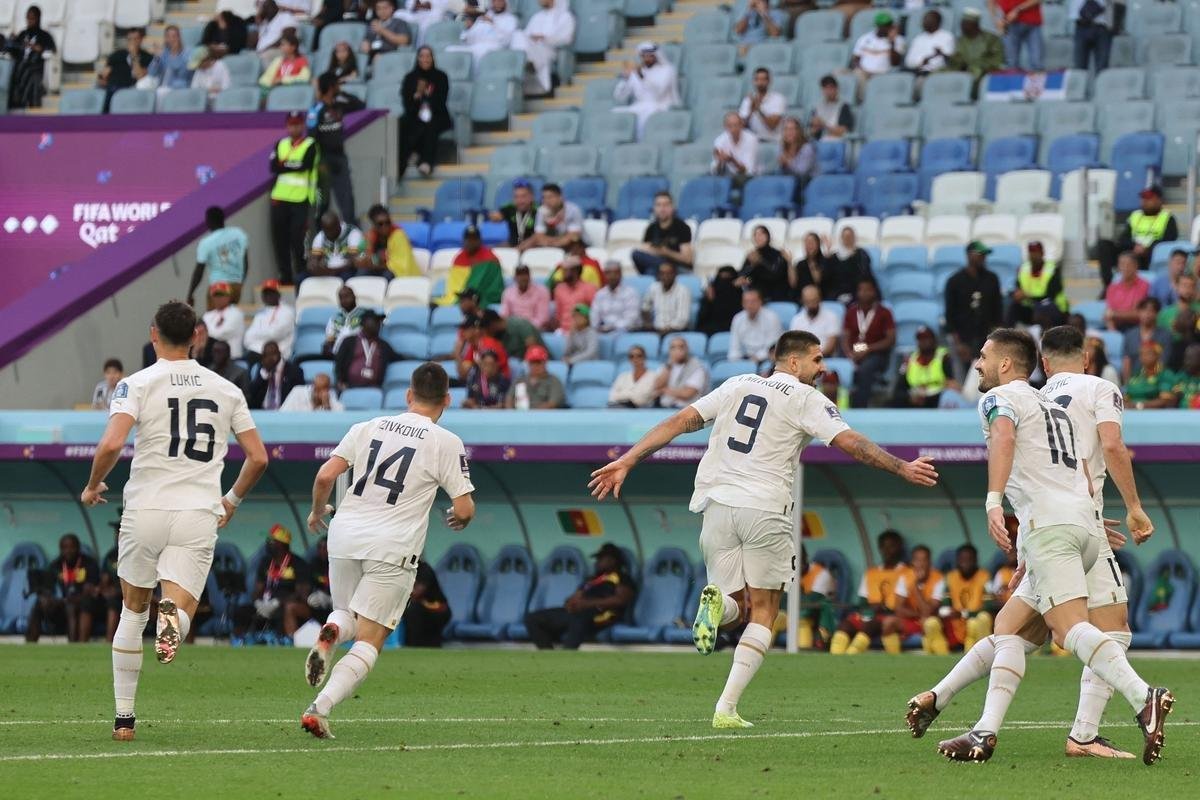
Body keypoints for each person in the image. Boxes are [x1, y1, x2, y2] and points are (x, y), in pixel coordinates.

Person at [589, 330, 938, 727]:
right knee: (766, 611)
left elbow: (681, 420)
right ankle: (726, 709)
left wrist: (629, 459)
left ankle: (717, 609)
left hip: (716, 506)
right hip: (765, 508)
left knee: (735, 609)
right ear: (794, 362)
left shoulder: (737, 383)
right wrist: (902, 467)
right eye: (817, 360)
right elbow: (851, 442)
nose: (823, 368)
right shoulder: (807, 398)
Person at [913, 326, 1169, 765]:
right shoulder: (1049, 404)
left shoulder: (1002, 398)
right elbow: (1087, 474)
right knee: (1009, 629)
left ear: (1007, 364)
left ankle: (1143, 697)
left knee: (1067, 629)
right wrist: (1084, 521)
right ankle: (976, 725)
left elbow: (1005, 440)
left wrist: (994, 502)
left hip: (1049, 526)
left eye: (982, 355)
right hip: (1083, 525)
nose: (976, 363)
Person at [79, 301, 268, 741]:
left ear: (153, 335)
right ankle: (175, 622)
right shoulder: (226, 389)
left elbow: (111, 445)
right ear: (197, 337)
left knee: (131, 609)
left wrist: (92, 486)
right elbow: (258, 457)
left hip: (145, 508)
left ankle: (124, 720)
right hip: (198, 512)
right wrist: (233, 499)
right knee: (179, 607)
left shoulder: (135, 383)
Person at [300, 362, 476, 738]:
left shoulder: (365, 427)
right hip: (392, 545)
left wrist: (317, 511)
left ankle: (331, 628)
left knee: (346, 614)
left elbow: (325, 476)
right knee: (371, 638)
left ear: (408, 395)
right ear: (447, 399)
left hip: (344, 534)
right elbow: (463, 508)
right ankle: (320, 707)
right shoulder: (445, 441)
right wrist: (461, 518)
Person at [524, 544, 636, 649]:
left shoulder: (622, 578)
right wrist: (570, 603)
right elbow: (576, 596)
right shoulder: (592, 579)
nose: (596, 562)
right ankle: (548, 654)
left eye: (600, 559)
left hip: (602, 616)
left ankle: (567, 655)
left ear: (612, 560)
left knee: (579, 619)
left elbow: (621, 600)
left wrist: (587, 604)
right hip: (578, 612)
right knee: (532, 618)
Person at [233, 525, 312, 644]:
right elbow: (258, 588)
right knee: (240, 612)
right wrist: (258, 602)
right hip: (265, 604)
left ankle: (289, 642)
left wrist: (278, 602)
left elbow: (301, 593)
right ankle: (239, 642)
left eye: (272, 541)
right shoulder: (265, 562)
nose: (268, 543)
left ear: (282, 544)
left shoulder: (298, 563)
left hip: (283, 604)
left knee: (284, 611)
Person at [25, 533, 105, 643]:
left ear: (78, 548)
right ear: (61, 549)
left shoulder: (89, 563)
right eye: (65, 548)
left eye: (72, 547)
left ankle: (76, 646)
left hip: (81, 604)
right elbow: (48, 589)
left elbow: (91, 590)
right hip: (60, 606)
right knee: (39, 604)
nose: (68, 550)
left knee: (76, 605)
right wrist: (47, 598)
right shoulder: (55, 565)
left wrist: (71, 600)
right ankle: (30, 644)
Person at [269, 111, 319, 284]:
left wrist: (285, 164)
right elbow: (273, 166)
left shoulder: (310, 144)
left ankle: (301, 274)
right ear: (287, 126)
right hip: (279, 198)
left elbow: (305, 165)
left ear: (303, 125)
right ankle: (285, 276)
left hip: (300, 199)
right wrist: (290, 165)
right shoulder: (280, 143)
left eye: (297, 124)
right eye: (291, 124)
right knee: (280, 239)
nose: (294, 127)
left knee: (298, 240)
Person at [308, 74, 365, 223]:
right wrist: (318, 162)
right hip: (323, 161)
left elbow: (360, 104)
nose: (340, 87)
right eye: (337, 85)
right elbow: (311, 136)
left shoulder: (339, 105)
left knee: (347, 198)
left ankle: (351, 232)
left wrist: (341, 93)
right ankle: (322, 235)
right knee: (323, 200)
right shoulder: (316, 109)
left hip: (340, 158)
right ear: (331, 87)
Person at [944, 241, 1003, 375]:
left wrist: (994, 342)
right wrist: (958, 344)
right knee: (963, 377)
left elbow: (997, 313)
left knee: (986, 375)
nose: (983, 258)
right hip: (963, 337)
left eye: (984, 255)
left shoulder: (992, 279)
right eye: (979, 254)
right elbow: (949, 316)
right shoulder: (954, 281)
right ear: (969, 255)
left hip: (986, 337)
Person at [1101, 187, 1178, 286]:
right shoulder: (1135, 216)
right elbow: (1123, 239)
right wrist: (1134, 246)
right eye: (1143, 198)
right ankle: (1109, 284)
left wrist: (1147, 248)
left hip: (1150, 255)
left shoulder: (1167, 217)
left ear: (1159, 200)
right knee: (1104, 245)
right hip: (1133, 251)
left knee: (1150, 251)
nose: (1145, 201)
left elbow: (1170, 239)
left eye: (1149, 198)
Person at [924, 544, 993, 655]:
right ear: (957, 560)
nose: (965, 563)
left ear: (975, 560)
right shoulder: (950, 578)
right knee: (931, 623)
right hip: (955, 624)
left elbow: (989, 606)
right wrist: (947, 612)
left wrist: (963, 614)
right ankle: (941, 660)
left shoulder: (985, 577)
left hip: (974, 624)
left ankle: (983, 657)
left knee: (978, 620)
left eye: (969, 559)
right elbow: (944, 606)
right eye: (962, 559)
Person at [397, 46, 452, 179]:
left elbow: (441, 100)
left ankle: (426, 161)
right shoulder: (410, 78)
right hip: (414, 113)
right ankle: (402, 163)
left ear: (432, 58)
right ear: (418, 58)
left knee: (430, 124)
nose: (425, 59)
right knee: (403, 124)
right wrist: (417, 96)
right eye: (422, 56)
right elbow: (407, 101)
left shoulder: (441, 76)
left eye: (428, 56)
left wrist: (428, 98)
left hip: (437, 114)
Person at [842, 278, 895, 408]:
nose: (864, 293)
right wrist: (849, 353)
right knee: (840, 366)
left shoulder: (884, 312)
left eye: (868, 290)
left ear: (874, 292)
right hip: (853, 352)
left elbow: (890, 340)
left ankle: (859, 407)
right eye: (861, 290)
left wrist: (869, 349)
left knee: (866, 368)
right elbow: (845, 337)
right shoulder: (851, 312)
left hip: (876, 354)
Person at [612, 41, 680, 140]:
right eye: (644, 56)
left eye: (650, 56)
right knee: (615, 112)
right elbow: (619, 98)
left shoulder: (667, 70)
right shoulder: (637, 72)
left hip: (660, 105)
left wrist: (643, 77)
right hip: (640, 105)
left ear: (656, 56)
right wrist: (625, 79)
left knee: (643, 116)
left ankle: (641, 144)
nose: (646, 59)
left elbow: (659, 94)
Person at [512, 0, 576, 95]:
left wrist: (544, 38)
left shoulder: (565, 16)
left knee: (525, 47)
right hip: (533, 48)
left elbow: (566, 38)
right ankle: (526, 63)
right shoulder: (536, 17)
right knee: (517, 34)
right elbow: (526, 34)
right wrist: (532, 38)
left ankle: (526, 64)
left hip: (550, 50)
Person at [189, 207, 248, 308]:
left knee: (213, 321)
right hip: (236, 285)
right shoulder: (238, 234)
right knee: (229, 319)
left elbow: (199, 272)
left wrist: (190, 293)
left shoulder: (206, 243)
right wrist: (240, 283)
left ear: (208, 221)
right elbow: (245, 262)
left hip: (218, 288)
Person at [891, 326, 960, 408]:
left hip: (937, 397)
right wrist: (910, 397)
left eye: (926, 338)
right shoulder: (909, 360)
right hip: (916, 398)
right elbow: (899, 389)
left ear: (933, 340)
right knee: (893, 402)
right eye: (920, 339)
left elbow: (952, 382)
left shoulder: (943, 357)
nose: (923, 342)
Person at [893, 546, 944, 654]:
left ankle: (939, 654)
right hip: (914, 618)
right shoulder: (905, 577)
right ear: (912, 562)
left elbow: (928, 612)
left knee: (930, 622)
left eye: (924, 560)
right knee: (889, 623)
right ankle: (893, 659)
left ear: (930, 562)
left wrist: (915, 587)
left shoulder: (938, 578)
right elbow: (898, 609)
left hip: (932, 621)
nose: (920, 564)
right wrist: (918, 615)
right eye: (917, 560)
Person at [6, 5, 56, 109]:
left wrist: (38, 48)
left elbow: (52, 49)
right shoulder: (23, 34)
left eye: (32, 18)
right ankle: (12, 105)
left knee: (27, 72)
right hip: (20, 66)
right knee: (12, 70)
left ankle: (21, 102)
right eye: (28, 18)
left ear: (38, 18)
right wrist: (12, 42)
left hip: (35, 66)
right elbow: (15, 49)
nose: (29, 21)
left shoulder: (44, 35)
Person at [946, 8, 1006, 95]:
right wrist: (950, 59)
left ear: (975, 25)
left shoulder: (991, 39)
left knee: (975, 71)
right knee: (941, 71)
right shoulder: (960, 40)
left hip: (983, 72)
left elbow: (997, 61)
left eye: (965, 24)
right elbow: (958, 59)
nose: (962, 26)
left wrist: (977, 65)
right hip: (964, 71)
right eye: (962, 23)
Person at [1007, 241, 1067, 326]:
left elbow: (1051, 295)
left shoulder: (1053, 269)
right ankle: (1006, 335)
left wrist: (1028, 296)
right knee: (1013, 306)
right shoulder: (1024, 269)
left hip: (1054, 309)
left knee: (1043, 307)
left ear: (1042, 253)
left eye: (1036, 252)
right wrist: (1016, 294)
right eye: (1031, 252)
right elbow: (1018, 287)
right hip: (1031, 308)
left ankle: (1044, 336)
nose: (1033, 256)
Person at [633, 192, 693, 276]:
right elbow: (645, 250)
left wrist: (666, 252)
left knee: (652, 272)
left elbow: (687, 259)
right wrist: (656, 251)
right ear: (654, 208)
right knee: (636, 254)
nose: (662, 209)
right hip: (656, 265)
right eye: (658, 205)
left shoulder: (682, 227)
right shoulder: (651, 228)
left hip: (676, 267)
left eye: (666, 205)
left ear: (672, 207)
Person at [850, 12, 905, 99]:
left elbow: (896, 63)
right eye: (884, 25)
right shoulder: (864, 38)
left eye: (889, 25)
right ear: (878, 26)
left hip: (884, 73)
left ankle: (869, 100)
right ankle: (865, 101)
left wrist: (891, 43)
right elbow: (856, 58)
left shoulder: (898, 40)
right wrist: (860, 68)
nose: (887, 28)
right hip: (865, 72)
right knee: (855, 74)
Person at [447, 0, 518, 67]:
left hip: (493, 48)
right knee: (450, 49)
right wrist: (468, 29)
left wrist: (493, 23)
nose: (497, 3)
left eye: (500, 1)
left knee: (479, 54)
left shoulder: (510, 19)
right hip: (475, 46)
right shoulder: (484, 17)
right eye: (495, 1)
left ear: (505, 3)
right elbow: (470, 36)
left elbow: (506, 41)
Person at [356, 204, 420, 279]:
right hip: (379, 269)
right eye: (380, 224)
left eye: (388, 222)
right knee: (362, 272)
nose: (385, 226)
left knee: (387, 275)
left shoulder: (398, 235)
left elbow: (400, 266)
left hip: (398, 274)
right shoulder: (371, 236)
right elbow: (362, 255)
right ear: (374, 225)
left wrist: (374, 263)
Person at [335, 311, 395, 390]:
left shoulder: (383, 345)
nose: (378, 324)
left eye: (379, 322)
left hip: (374, 388)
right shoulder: (349, 341)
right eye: (375, 321)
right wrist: (340, 381)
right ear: (363, 323)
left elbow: (397, 357)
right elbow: (339, 362)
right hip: (349, 387)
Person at [98, 28, 154, 112]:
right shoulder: (117, 55)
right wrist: (105, 82)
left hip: (132, 88)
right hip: (114, 87)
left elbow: (140, 76)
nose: (132, 42)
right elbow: (103, 76)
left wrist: (134, 55)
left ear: (141, 40)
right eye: (130, 39)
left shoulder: (147, 57)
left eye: (136, 39)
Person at [402, 560, 453, 647]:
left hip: (438, 609)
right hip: (421, 608)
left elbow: (417, 592)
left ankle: (416, 646)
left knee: (412, 610)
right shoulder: (405, 569)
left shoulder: (424, 569)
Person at [244, 280, 296, 361]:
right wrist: (264, 333)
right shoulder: (260, 312)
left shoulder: (287, 311)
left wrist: (257, 334)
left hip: (279, 352)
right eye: (265, 293)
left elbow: (275, 334)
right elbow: (248, 337)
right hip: (257, 351)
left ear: (278, 294)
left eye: (271, 293)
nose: (268, 296)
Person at [1121, 298, 1170, 383]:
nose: (1147, 314)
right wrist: (1127, 384)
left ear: (1157, 313)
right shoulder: (1130, 335)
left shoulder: (1165, 335)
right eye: (1144, 310)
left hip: (1157, 381)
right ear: (1138, 312)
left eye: (1151, 311)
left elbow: (1163, 361)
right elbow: (1126, 362)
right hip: (1134, 380)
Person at [307, 212, 364, 283]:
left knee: (346, 276)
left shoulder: (353, 233)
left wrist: (331, 271)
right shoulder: (320, 236)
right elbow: (314, 258)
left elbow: (353, 262)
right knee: (300, 278)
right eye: (326, 231)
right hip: (327, 270)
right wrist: (313, 265)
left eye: (332, 230)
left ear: (338, 225)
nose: (329, 234)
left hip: (346, 270)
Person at [738, 226, 791, 302]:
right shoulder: (752, 255)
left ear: (768, 236)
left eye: (761, 234)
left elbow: (776, 274)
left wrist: (760, 261)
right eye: (755, 235)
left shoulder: (777, 254)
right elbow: (743, 275)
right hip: (756, 292)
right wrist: (752, 265)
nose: (758, 237)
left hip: (775, 292)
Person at [728, 289, 783, 363]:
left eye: (753, 301)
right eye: (746, 302)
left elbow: (772, 347)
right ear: (742, 303)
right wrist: (734, 362)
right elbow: (734, 347)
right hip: (744, 359)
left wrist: (757, 358)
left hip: (767, 359)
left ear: (760, 302)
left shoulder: (771, 317)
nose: (749, 305)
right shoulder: (737, 319)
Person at [247, 342, 305, 410]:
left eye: (272, 355)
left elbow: (299, 397)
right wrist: (265, 374)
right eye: (265, 356)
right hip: (263, 412)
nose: (268, 359)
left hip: (285, 412)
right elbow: (252, 395)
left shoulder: (295, 371)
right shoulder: (262, 368)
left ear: (279, 354)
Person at [653, 337, 708, 409]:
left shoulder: (697, 367)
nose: (677, 350)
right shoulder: (667, 366)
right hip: (665, 407)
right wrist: (669, 366)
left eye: (681, 347)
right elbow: (657, 386)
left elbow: (687, 394)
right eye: (673, 348)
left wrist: (663, 390)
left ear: (687, 349)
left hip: (688, 409)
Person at [825, 226, 876, 304]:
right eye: (845, 237)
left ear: (854, 238)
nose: (848, 239)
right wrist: (828, 254)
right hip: (837, 293)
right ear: (841, 238)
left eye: (850, 237)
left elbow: (865, 273)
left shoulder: (861, 254)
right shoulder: (834, 257)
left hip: (857, 291)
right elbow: (829, 276)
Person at [991, 0, 1043, 71]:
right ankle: (1012, 81)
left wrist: (1017, 10)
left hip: (1032, 23)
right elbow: (990, 2)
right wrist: (996, 19)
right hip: (1009, 23)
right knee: (1011, 64)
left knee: (1037, 63)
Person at [1104, 252, 1150, 332]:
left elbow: (1138, 314)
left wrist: (1115, 314)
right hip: (1115, 327)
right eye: (1122, 264)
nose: (1125, 268)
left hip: (1136, 328)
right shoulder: (1112, 288)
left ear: (1136, 266)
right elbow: (1108, 315)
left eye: (1129, 264)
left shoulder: (1144, 286)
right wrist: (1112, 332)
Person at [529, 183, 585, 250]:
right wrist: (551, 242)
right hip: (552, 246)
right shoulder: (541, 211)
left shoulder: (573, 210)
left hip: (576, 246)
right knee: (532, 240)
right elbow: (539, 236)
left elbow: (573, 236)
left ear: (560, 197)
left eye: (550, 197)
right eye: (544, 197)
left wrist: (550, 242)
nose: (546, 201)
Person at [790, 285, 840, 356]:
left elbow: (830, 347)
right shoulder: (797, 319)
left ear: (819, 299)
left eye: (814, 301)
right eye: (808, 301)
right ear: (803, 301)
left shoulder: (831, 317)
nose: (811, 305)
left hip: (825, 359)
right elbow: (793, 345)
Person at [642, 262, 691, 335]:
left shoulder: (683, 291)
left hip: (675, 331)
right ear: (658, 275)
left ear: (675, 274)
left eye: (669, 273)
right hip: (655, 330)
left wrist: (666, 330)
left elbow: (682, 320)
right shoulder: (654, 288)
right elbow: (645, 308)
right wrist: (649, 324)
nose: (665, 276)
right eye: (662, 273)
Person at [591, 261, 641, 333]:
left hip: (626, 332)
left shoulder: (630, 293)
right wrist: (598, 328)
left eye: (615, 273)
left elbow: (631, 319)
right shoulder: (600, 294)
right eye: (608, 273)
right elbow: (594, 317)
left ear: (620, 274)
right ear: (605, 275)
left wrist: (612, 327)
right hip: (604, 332)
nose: (612, 276)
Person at [739, 68, 786, 143]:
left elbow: (772, 126)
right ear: (754, 81)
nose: (760, 83)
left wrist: (758, 110)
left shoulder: (778, 99)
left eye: (763, 80)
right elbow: (741, 126)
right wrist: (750, 112)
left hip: (774, 141)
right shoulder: (748, 100)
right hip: (754, 141)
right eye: (757, 80)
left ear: (769, 81)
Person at [490, 179, 539, 250]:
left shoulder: (538, 210)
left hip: (533, 248)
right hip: (513, 246)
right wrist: (494, 217)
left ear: (531, 197)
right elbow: (496, 216)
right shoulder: (509, 209)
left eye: (523, 196)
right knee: (492, 251)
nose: (519, 200)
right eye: (516, 197)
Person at [201, 283, 246, 358]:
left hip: (231, 357)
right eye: (216, 295)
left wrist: (206, 333)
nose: (218, 298)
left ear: (229, 297)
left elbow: (221, 334)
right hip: (210, 357)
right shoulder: (207, 315)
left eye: (222, 295)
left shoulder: (236, 313)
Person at [905, 9, 956, 75]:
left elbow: (950, 59)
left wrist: (941, 54)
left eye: (928, 19)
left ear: (937, 21)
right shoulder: (918, 39)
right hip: (918, 72)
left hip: (938, 73)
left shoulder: (947, 37)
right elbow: (908, 62)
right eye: (924, 19)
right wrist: (921, 62)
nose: (924, 22)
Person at [711, 111, 760, 180]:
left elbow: (748, 171)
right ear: (725, 127)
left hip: (748, 177)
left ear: (742, 125)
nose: (733, 129)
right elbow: (715, 171)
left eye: (736, 125)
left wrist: (732, 160)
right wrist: (720, 161)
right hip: (727, 176)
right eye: (730, 126)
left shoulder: (751, 139)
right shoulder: (719, 140)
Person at [551, 262, 597, 333]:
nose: (563, 273)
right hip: (562, 331)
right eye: (563, 270)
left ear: (576, 271)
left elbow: (594, 313)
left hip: (583, 331)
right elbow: (558, 314)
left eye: (565, 270)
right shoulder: (559, 289)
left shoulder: (589, 288)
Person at [500, 265, 551, 329]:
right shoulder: (507, 293)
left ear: (530, 276)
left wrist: (524, 328)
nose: (523, 277)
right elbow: (504, 316)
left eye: (525, 274)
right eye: (520, 275)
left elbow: (542, 318)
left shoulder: (542, 291)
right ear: (515, 277)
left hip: (535, 329)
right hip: (513, 329)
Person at [1071, 0, 1114, 73]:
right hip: (1081, 25)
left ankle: (1100, 84)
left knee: (1102, 68)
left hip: (1102, 26)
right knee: (1079, 68)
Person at [698, 267, 742, 335]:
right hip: (710, 329)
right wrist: (708, 301)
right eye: (722, 277)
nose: (725, 282)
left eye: (729, 278)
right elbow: (702, 317)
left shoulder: (739, 295)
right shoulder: (711, 293)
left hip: (733, 329)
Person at [808, 75, 854, 142]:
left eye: (831, 88)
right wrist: (815, 128)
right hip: (818, 142)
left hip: (835, 142)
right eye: (825, 88)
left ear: (836, 89)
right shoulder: (817, 107)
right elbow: (810, 132)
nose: (828, 91)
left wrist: (824, 125)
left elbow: (843, 131)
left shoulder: (843, 107)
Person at [254, 0, 300, 66]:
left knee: (265, 56)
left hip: (279, 50)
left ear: (275, 7)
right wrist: (259, 16)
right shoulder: (265, 22)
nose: (267, 10)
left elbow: (288, 37)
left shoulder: (285, 16)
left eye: (269, 7)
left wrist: (267, 49)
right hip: (263, 52)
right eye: (264, 8)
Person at [149, 25, 192, 95]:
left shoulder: (187, 52)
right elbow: (152, 73)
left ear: (179, 38)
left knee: (161, 91)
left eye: (174, 36)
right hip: (162, 87)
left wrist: (174, 52)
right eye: (168, 37)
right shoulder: (164, 52)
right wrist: (157, 58)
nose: (171, 39)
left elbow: (183, 73)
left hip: (180, 86)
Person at [325, 286, 367, 355]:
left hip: (358, 353)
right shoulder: (335, 318)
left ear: (354, 297)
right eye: (341, 298)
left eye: (347, 296)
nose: (344, 300)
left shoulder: (365, 314)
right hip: (338, 354)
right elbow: (330, 338)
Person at [791, 232, 832, 299]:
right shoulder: (800, 264)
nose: (809, 245)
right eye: (807, 243)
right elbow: (793, 284)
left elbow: (817, 280)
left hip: (820, 298)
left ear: (818, 244)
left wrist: (812, 262)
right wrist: (790, 263)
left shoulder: (824, 261)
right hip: (802, 299)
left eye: (812, 242)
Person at [1168, 343, 1200, 408]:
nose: (1186, 362)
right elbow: (1172, 401)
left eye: (1190, 358)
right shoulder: (1180, 377)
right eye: (1185, 358)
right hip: (1183, 415)